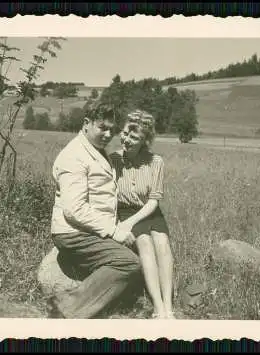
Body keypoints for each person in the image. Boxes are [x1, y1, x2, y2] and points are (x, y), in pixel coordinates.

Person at [50, 102, 142, 319]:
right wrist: (113, 231)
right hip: (73, 232)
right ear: (86, 124)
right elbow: (74, 209)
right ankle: (65, 310)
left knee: (144, 245)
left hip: (89, 229)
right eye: (103, 127)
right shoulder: (74, 156)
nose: (109, 134)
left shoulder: (96, 150)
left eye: (112, 129)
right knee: (128, 263)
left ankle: (131, 303)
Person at [109, 109, 176, 319]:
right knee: (145, 243)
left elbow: (154, 200)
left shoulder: (156, 162)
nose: (126, 140)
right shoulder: (112, 160)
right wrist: (123, 223)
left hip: (149, 210)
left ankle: (168, 307)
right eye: (125, 134)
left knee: (163, 244)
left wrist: (131, 222)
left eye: (134, 138)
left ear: (145, 140)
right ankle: (157, 307)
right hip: (126, 209)